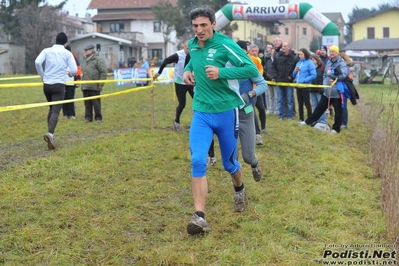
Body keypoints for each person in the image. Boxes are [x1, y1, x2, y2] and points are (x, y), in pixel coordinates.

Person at [182, 5, 259, 235]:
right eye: (195, 26)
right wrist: (187, 71)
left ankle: (239, 187)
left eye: (204, 25)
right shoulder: (193, 45)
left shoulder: (225, 44)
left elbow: (250, 68)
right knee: (197, 159)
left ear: (214, 24)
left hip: (227, 112)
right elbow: (192, 61)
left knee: (229, 164)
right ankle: (199, 217)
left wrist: (221, 73)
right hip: (202, 112)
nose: (199, 30)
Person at [35, 32, 77, 150]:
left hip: (47, 85)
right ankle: (50, 133)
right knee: (55, 111)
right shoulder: (67, 53)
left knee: (51, 109)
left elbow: (37, 62)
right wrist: (71, 73)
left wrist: (42, 75)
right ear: (66, 42)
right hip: (59, 85)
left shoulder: (46, 51)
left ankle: (50, 134)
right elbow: (74, 70)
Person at [298, 45, 348, 133]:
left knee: (338, 111)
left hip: (337, 91)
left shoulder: (341, 63)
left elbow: (343, 75)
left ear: (337, 52)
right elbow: (325, 74)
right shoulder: (329, 62)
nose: (331, 53)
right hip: (327, 91)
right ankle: (308, 122)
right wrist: (325, 83)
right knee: (319, 108)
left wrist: (332, 76)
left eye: (333, 51)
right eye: (330, 51)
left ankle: (336, 129)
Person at [154, 40, 194, 131]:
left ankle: (197, 123)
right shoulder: (178, 55)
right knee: (182, 104)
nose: (190, 50)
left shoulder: (194, 54)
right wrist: (159, 72)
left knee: (198, 100)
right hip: (180, 82)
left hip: (191, 82)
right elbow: (165, 61)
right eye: (188, 48)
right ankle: (176, 121)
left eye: (191, 48)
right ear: (184, 47)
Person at [247, 43, 268, 143]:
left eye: (256, 51)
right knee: (251, 110)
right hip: (250, 90)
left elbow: (260, 71)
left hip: (258, 88)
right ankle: (257, 134)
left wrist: (258, 77)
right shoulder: (248, 58)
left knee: (262, 109)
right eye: (253, 51)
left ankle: (263, 128)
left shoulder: (258, 60)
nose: (255, 53)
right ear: (248, 51)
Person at [271, 42, 298, 120]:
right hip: (279, 81)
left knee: (289, 100)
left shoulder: (294, 57)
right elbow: (273, 67)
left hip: (289, 82)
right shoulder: (277, 55)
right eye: (282, 46)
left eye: (285, 46)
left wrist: (292, 77)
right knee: (279, 99)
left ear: (289, 47)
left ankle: (289, 115)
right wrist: (275, 77)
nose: (283, 48)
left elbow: (296, 68)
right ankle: (281, 115)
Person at [81, 43, 107, 123]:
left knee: (96, 103)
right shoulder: (84, 60)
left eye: (86, 50)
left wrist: (100, 83)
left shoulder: (98, 59)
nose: (85, 51)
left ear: (91, 50)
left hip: (94, 86)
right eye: (84, 50)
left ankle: (98, 117)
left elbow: (103, 72)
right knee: (87, 103)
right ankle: (88, 117)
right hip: (85, 85)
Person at [292, 48, 316, 122]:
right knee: (300, 103)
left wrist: (304, 80)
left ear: (305, 54)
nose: (300, 56)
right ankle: (301, 118)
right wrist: (295, 71)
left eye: (301, 54)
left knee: (307, 103)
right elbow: (294, 75)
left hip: (305, 86)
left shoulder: (309, 63)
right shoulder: (298, 63)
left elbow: (313, 75)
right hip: (298, 86)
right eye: (299, 54)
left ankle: (309, 118)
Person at [62, 45, 81, 120]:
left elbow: (78, 69)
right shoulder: (61, 58)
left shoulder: (74, 58)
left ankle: (72, 114)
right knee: (64, 98)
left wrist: (78, 79)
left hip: (71, 81)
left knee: (70, 98)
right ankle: (65, 114)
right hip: (63, 81)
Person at [309, 54, 327, 124]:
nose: (312, 61)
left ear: (316, 60)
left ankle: (323, 120)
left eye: (313, 60)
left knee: (321, 106)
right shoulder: (310, 69)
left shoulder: (322, 67)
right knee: (314, 105)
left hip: (320, 89)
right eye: (311, 60)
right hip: (312, 89)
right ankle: (317, 119)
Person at [339, 51, 354, 129]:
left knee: (343, 106)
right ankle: (340, 122)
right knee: (340, 106)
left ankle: (344, 123)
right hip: (339, 88)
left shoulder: (346, 68)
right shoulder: (345, 67)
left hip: (344, 89)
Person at [264, 45, 278, 115]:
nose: (272, 52)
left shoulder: (277, 60)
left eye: (273, 51)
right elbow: (266, 69)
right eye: (271, 51)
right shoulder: (268, 60)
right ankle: (270, 109)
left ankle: (276, 109)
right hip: (268, 80)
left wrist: (274, 77)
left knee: (276, 96)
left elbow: (278, 70)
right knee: (270, 96)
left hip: (275, 80)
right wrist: (267, 76)